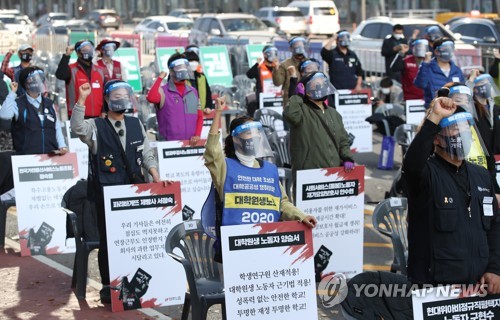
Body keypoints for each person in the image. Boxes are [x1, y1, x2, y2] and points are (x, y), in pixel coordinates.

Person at [70, 80, 160, 304]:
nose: (121, 99)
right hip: (106, 194)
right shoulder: (96, 127)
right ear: (108, 100)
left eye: (124, 94)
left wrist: (155, 175)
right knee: (109, 243)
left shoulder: (136, 124)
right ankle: (108, 287)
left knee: (134, 240)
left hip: (134, 193)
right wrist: (82, 99)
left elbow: (147, 153)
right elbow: (77, 128)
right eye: (116, 95)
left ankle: (133, 285)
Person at [202, 96, 317, 263]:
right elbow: (212, 152)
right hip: (236, 247)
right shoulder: (225, 167)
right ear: (236, 139)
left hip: (267, 242)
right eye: (249, 133)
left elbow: (281, 203)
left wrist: (301, 216)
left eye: (257, 133)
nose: (254, 137)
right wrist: (218, 113)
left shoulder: (269, 169)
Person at [402, 97, 500, 292]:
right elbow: (412, 165)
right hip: (436, 288)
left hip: (480, 286)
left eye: (466, 129)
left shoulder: (481, 175)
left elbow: (495, 225)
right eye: (456, 129)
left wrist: (494, 268)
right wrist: (435, 117)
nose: (463, 134)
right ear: (437, 138)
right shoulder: (425, 175)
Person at [284, 72, 355, 185]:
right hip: (308, 173)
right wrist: (297, 97)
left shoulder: (334, 113)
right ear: (304, 88)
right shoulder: (301, 111)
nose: (320, 86)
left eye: (322, 83)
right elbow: (290, 116)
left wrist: (347, 158)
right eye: (315, 84)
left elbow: (343, 140)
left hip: (333, 173)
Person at [0, 66, 67, 155]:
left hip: (50, 157)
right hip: (26, 158)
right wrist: (12, 93)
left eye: (40, 78)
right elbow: (4, 114)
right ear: (26, 83)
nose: (39, 82)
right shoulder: (18, 103)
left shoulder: (49, 104)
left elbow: (56, 127)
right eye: (34, 79)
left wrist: (62, 145)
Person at [146, 53, 202, 143]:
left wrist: (197, 135)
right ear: (171, 71)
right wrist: (160, 78)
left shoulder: (193, 91)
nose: (183, 69)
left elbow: (199, 116)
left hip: (190, 145)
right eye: (179, 66)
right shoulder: (163, 91)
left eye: (185, 66)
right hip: (168, 147)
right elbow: (151, 98)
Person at [55, 39, 106, 118]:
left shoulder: (100, 71)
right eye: (84, 49)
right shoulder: (71, 69)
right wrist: (67, 55)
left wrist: (104, 111)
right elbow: (60, 75)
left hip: (97, 117)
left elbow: (104, 94)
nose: (88, 51)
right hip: (76, 117)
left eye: (90, 48)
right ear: (78, 53)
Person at [414, 38, 464, 108]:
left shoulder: (457, 70)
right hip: (435, 111)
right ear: (437, 51)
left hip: (454, 109)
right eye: (446, 48)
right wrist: (425, 63)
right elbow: (420, 84)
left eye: (451, 48)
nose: (450, 51)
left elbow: (462, 91)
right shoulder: (428, 67)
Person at [321, 30, 363, 105]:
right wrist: (333, 38)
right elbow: (324, 52)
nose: (345, 39)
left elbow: (360, 71)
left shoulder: (352, 54)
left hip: (351, 90)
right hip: (337, 91)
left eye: (347, 37)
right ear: (337, 40)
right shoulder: (332, 54)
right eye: (342, 37)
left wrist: (359, 85)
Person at [272, 37, 308, 107]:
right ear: (290, 49)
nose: (299, 48)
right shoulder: (285, 64)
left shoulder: (310, 63)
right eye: (296, 45)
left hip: (307, 101)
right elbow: (277, 83)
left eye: (301, 45)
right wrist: (276, 69)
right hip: (290, 102)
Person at [246, 45, 281, 115]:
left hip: (277, 98)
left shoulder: (278, 67)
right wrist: (256, 64)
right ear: (265, 55)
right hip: (263, 99)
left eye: (274, 53)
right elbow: (249, 75)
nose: (273, 55)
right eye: (270, 53)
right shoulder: (259, 67)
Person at [184, 46, 214, 114]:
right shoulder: (181, 78)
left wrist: (208, 106)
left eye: (196, 61)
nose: (194, 63)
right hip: (186, 113)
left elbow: (208, 93)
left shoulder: (201, 76)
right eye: (191, 61)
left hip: (201, 112)